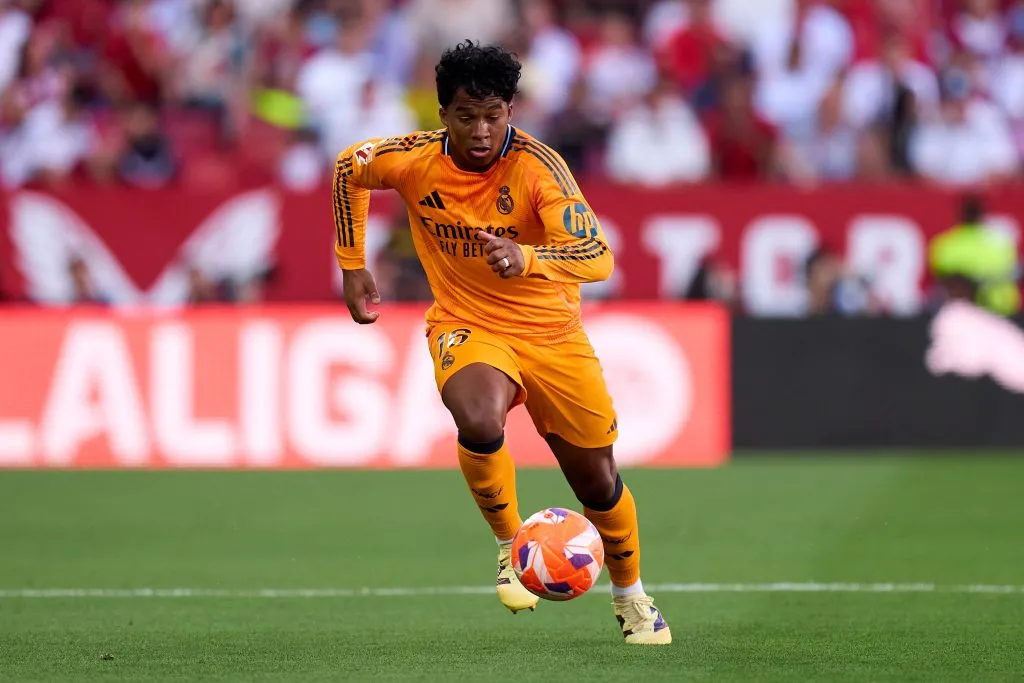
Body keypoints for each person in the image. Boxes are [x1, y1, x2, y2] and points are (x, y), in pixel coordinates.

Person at [331, 40, 671, 645]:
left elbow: (599, 257)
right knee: (478, 415)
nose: (481, 130)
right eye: (467, 116)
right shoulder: (410, 159)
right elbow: (346, 170)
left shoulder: (541, 168)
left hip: (553, 336)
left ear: (510, 110)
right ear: (443, 116)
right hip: (469, 322)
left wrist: (530, 255)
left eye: (493, 115)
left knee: (595, 481)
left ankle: (631, 597)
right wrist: (352, 263)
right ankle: (510, 543)